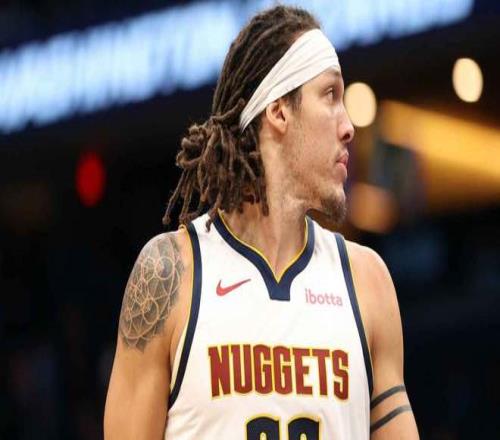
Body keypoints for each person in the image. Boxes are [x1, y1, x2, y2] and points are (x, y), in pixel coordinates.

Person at [104, 5, 419, 439]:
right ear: (278, 111)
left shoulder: (367, 282)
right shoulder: (171, 274)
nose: (348, 126)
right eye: (330, 95)